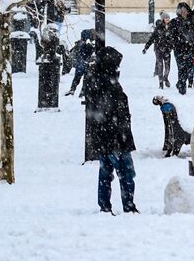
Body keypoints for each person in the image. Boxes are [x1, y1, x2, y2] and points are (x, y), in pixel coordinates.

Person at [82, 41, 137, 214]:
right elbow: (116, 112)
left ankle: (104, 205)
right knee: (126, 174)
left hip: (103, 136)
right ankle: (128, 206)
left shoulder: (95, 80)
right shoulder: (109, 84)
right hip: (116, 138)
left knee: (105, 173)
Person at [167, 2, 194, 95]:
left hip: (190, 49)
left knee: (189, 68)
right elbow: (170, 36)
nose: (183, 12)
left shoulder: (192, 21)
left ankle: (180, 82)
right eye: (181, 10)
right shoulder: (174, 22)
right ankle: (182, 86)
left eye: (185, 10)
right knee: (181, 68)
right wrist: (174, 43)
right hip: (179, 49)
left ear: (188, 11)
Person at [34, 24, 67, 110]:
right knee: (47, 85)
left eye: (55, 32)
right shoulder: (47, 41)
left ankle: (49, 102)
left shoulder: (53, 42)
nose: (54, 34)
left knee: (49, 85)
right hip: (49, 64)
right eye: (52, 32)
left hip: (51, 63)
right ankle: (47, 102)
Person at [141, 16, 172, 89]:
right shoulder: (158, 28)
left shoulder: (171, 27)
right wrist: (146, 48)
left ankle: (165, 78)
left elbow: (174, 39)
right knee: (160, 66)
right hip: (158, 49)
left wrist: (172, 46)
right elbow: (151, 39)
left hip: (167, 50)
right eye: (166, 18)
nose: (167, 19)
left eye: (168, 18)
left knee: (167, 67)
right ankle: (161, 83)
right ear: (163, 19)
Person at [65, 28, 93, 96]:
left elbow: (75, 52)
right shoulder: (88, 44)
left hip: (80, 64)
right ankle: (82, 92)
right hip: (86, 64)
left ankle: (72, 90)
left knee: (77, 78)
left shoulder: (80, 43)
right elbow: (88, 53)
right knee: (85, 79)